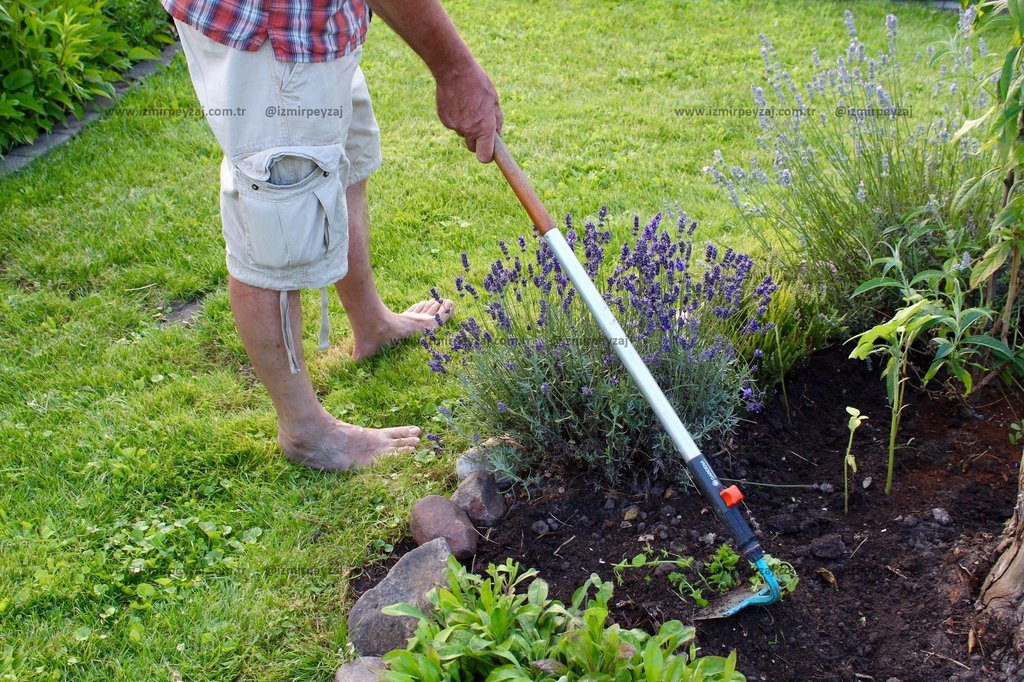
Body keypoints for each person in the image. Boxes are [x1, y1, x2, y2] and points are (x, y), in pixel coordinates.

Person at [161, 0, 503, 471]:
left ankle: (372, 325)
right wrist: (455, 70)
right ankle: (305, 431)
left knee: (342, 162)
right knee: (279, 216)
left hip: (316, 23)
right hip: (271, 31)